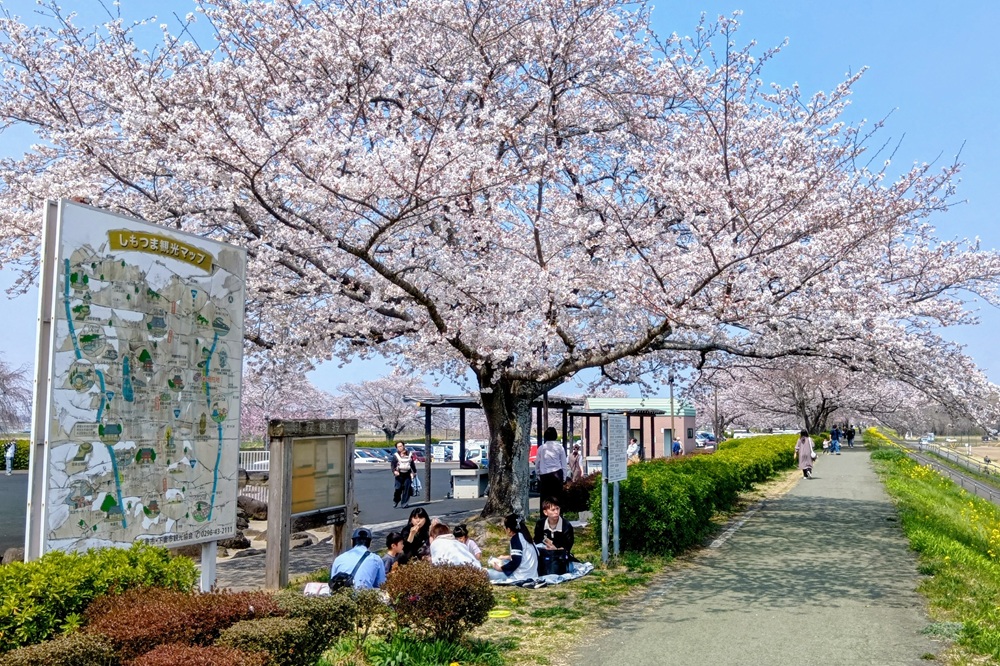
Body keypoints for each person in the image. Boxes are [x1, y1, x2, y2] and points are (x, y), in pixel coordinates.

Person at [487, 514, 539, 583]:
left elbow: (516, 561)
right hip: (533, 574)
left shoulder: (515, 539)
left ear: (508, 529)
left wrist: (501, 569)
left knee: (488, 573)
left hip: (521, 576)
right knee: (505, 561)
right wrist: (507, 557)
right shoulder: (526, 536)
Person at [535, 427, 567, 503]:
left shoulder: (541, 448)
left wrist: (538, 475)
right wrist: (564, 477)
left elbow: (537, 463)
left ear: (545, 436)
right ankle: (557, 513)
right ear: (555, 436)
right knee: (557, 499)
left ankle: (544, 514)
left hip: (545, 475)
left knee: (545, 499)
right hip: (557, 474)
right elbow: (564, 463)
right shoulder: (560, 447)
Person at [391, 441, 417, 508]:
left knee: (407, 489)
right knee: (398, 488)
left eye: (401, 446)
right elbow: (393, 465)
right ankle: (396, 500)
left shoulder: (409, 454)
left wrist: (414, 472)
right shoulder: (396, 455)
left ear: (404, 446)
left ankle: (404, 503)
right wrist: (394, 471)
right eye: (398, 447)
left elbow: (412, 464)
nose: (400, 448)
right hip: (399, 474)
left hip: (407, 474)